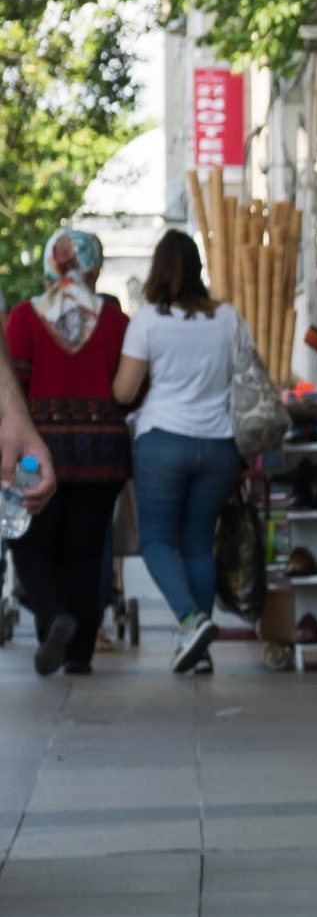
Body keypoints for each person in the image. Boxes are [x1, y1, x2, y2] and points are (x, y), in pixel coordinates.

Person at [114, 230, 243, 675]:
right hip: (220, 444)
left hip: (162, 443)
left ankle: (191, 621)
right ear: (198, 269)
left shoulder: (147, 320)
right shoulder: (228, 317)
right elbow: (246, 375)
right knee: (198, 544)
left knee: (155, 541)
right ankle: (198, 652)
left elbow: (124, 390)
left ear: (158, 269)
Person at [6, 229, 132, 676]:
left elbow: (13, 387)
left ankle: (52, 616)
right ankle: (79, 654)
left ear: (49, 265)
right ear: (94, 268)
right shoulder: (116, 321)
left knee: (29, 540)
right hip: (103, 453)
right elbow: (130, 391)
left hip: (37, 451)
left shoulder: (25, 317)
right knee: (87, 550)